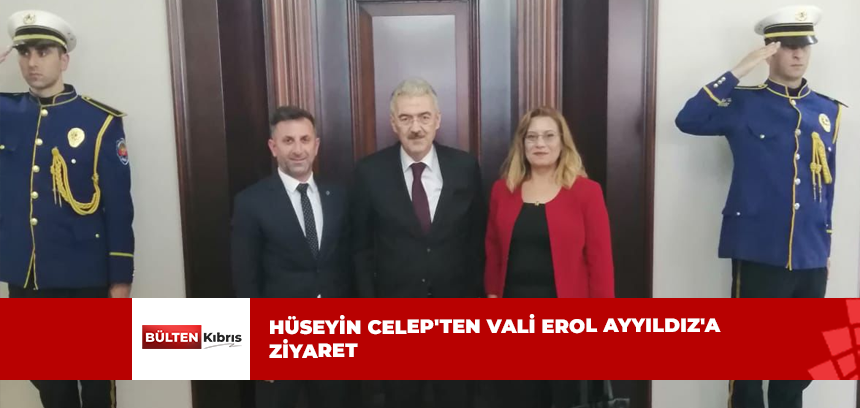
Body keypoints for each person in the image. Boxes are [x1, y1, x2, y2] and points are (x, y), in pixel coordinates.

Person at [674, 5, 843, 408]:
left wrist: (824, 244)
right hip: (758, 249)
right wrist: (739, 70)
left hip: (810, 255)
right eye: (787, 45)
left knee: (799, 367)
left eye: (804, 45)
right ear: (770, 50)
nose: (798, 53)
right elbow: (688, 119)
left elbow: (827, 184)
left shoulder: (828, 110)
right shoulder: (743, 102)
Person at [0, 9, 133, 408]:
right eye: (24, 52)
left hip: (85, 278)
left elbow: (118, 208)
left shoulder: (99, 121)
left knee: (96, 386)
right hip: (28, 278)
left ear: (64, 59)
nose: (32, 62)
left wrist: (121, 281)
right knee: (50, 387)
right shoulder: (6, 114)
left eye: (43, 52)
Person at [351, 78, 486, 408]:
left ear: (437, 120)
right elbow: (360, 249)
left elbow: (478, 241)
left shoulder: (465, 167)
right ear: (393, 123)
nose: (416, 128)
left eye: (424, 117)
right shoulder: (369, 172)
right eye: (406, 118)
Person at [484, 106, 614, 408]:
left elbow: (600, 261)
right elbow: (493, 249)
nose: (539, 144)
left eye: (548, 136)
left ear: (562, 142)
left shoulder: (586, 192)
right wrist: (491, 297)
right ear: (522, 144)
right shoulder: (503, 190)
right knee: (518, 397)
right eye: (531, 137)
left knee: (564, 398)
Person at [231, 106, 352, 407]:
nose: (298, 150)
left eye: (304, 139)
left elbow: (349, 264)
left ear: (316, 145)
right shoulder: (251, 202)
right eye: (288, 141)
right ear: (273, 147)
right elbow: (245, 282)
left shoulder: (339, 196)